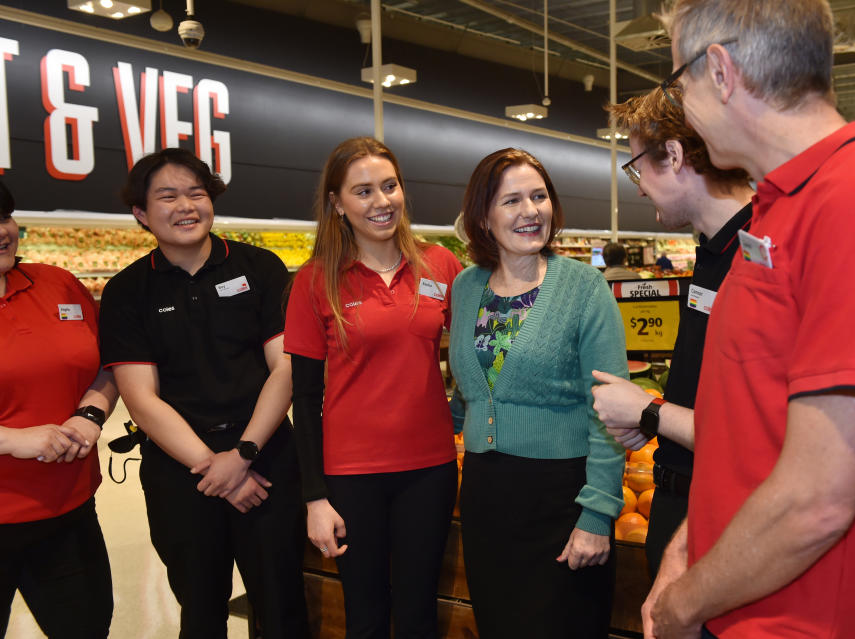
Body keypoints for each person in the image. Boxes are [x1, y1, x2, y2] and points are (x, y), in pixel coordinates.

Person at [641, 2, 855, 638]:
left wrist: (685, 605)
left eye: (679, 81)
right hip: (742, 602)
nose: (684, 105)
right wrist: (688, 544)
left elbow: (819, 498)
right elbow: (757, 425)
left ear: (722, 72)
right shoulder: (780, 205)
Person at [98, 148, 308, 639]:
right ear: (141, 214)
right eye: (167, 196)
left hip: (268, 458)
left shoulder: (260, 267)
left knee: (283, 606)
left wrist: (245, 453)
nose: (186, 206)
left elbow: (285, 368)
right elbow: (142, 399)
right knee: (200, 610)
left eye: (196, 193)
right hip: (181, 472)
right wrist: (219, 469)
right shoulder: (128, 291)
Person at [284, 136, 463, 639]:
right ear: (337, 203)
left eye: (390, 186)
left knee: (418, 611)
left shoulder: (440, 265)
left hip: (429, 468)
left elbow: (476, 355)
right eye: (362, 191)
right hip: (351, 475)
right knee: (363, 615)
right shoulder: (315, 281)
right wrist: (315, 499)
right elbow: (303, 398)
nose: (381, 201)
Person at [449, 148, 628, 639]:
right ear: (483, 216)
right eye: (511, 201)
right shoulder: (467, 288)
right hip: (487, 496)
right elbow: (470, 395)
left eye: (539, 196)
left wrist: (597, 514)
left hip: (563, 499)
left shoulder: (584, 287)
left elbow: (610, 411)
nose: (530, 211)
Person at [592, 86, 754, 579]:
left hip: (723, 518)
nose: (638, 186)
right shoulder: (713, 250)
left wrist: (649, 410)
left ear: (677, 156)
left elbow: (757, 430)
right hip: (679, 499)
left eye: (637, 166)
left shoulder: (760, 257)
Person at [0, 179, 118, 638]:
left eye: (5, 216)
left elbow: (107, 366)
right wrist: (12, 439)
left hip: (67, 511)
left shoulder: (58, 283)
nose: (2, 232)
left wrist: (90, 415)